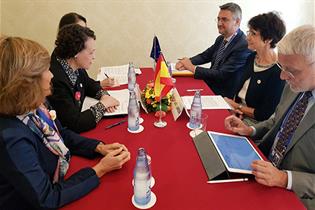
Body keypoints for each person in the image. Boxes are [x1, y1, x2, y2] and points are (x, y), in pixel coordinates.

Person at [0, 36, 130, 209]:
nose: (52, 74)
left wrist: (98, 147)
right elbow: (47, 198)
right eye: (46, 70)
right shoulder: (11, 138)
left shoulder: (35, 103)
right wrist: (100, 170)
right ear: (26, 84)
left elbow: (62, 134)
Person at [224, 25, 315, 209]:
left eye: (292, 71)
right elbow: (277, 121)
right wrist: (250, 129)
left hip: (295, 195)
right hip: (262, 166)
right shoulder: (294, 86)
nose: (282, 77)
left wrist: (284, 179)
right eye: (281, 67)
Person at [48, 24, 119, 133]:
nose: (94, 57)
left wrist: (104, 96)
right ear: (76, 53)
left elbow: (88, 83)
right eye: (91, 52)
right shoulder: (56, 80)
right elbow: (74, 123)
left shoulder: (72, 62)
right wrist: (103, 105)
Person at [175, 2, 251, 98]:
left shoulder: (243, 45)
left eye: (224, 19)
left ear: (237, 22)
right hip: (209, 85)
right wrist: (185, 62)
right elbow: (205, 56)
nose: (219, 23)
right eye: (218, 19)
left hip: (223, 95)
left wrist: (191, 67)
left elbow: (221, 74)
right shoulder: (220, 39)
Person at [224, 12, 286, 125]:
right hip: (237, 113)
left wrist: (236, 106)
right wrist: (235, 108)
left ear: (268, 39)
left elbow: (264, 114)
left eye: (253, 34)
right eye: (249, 32)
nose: (247, 37)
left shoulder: (278, 72)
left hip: (255, 124)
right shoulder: (251, 57)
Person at [57, 12, 116, 88]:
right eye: (80, 30)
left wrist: (101, 88)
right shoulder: (59, 75)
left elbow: (86, 83)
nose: (84, 34)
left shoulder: (77, 61)